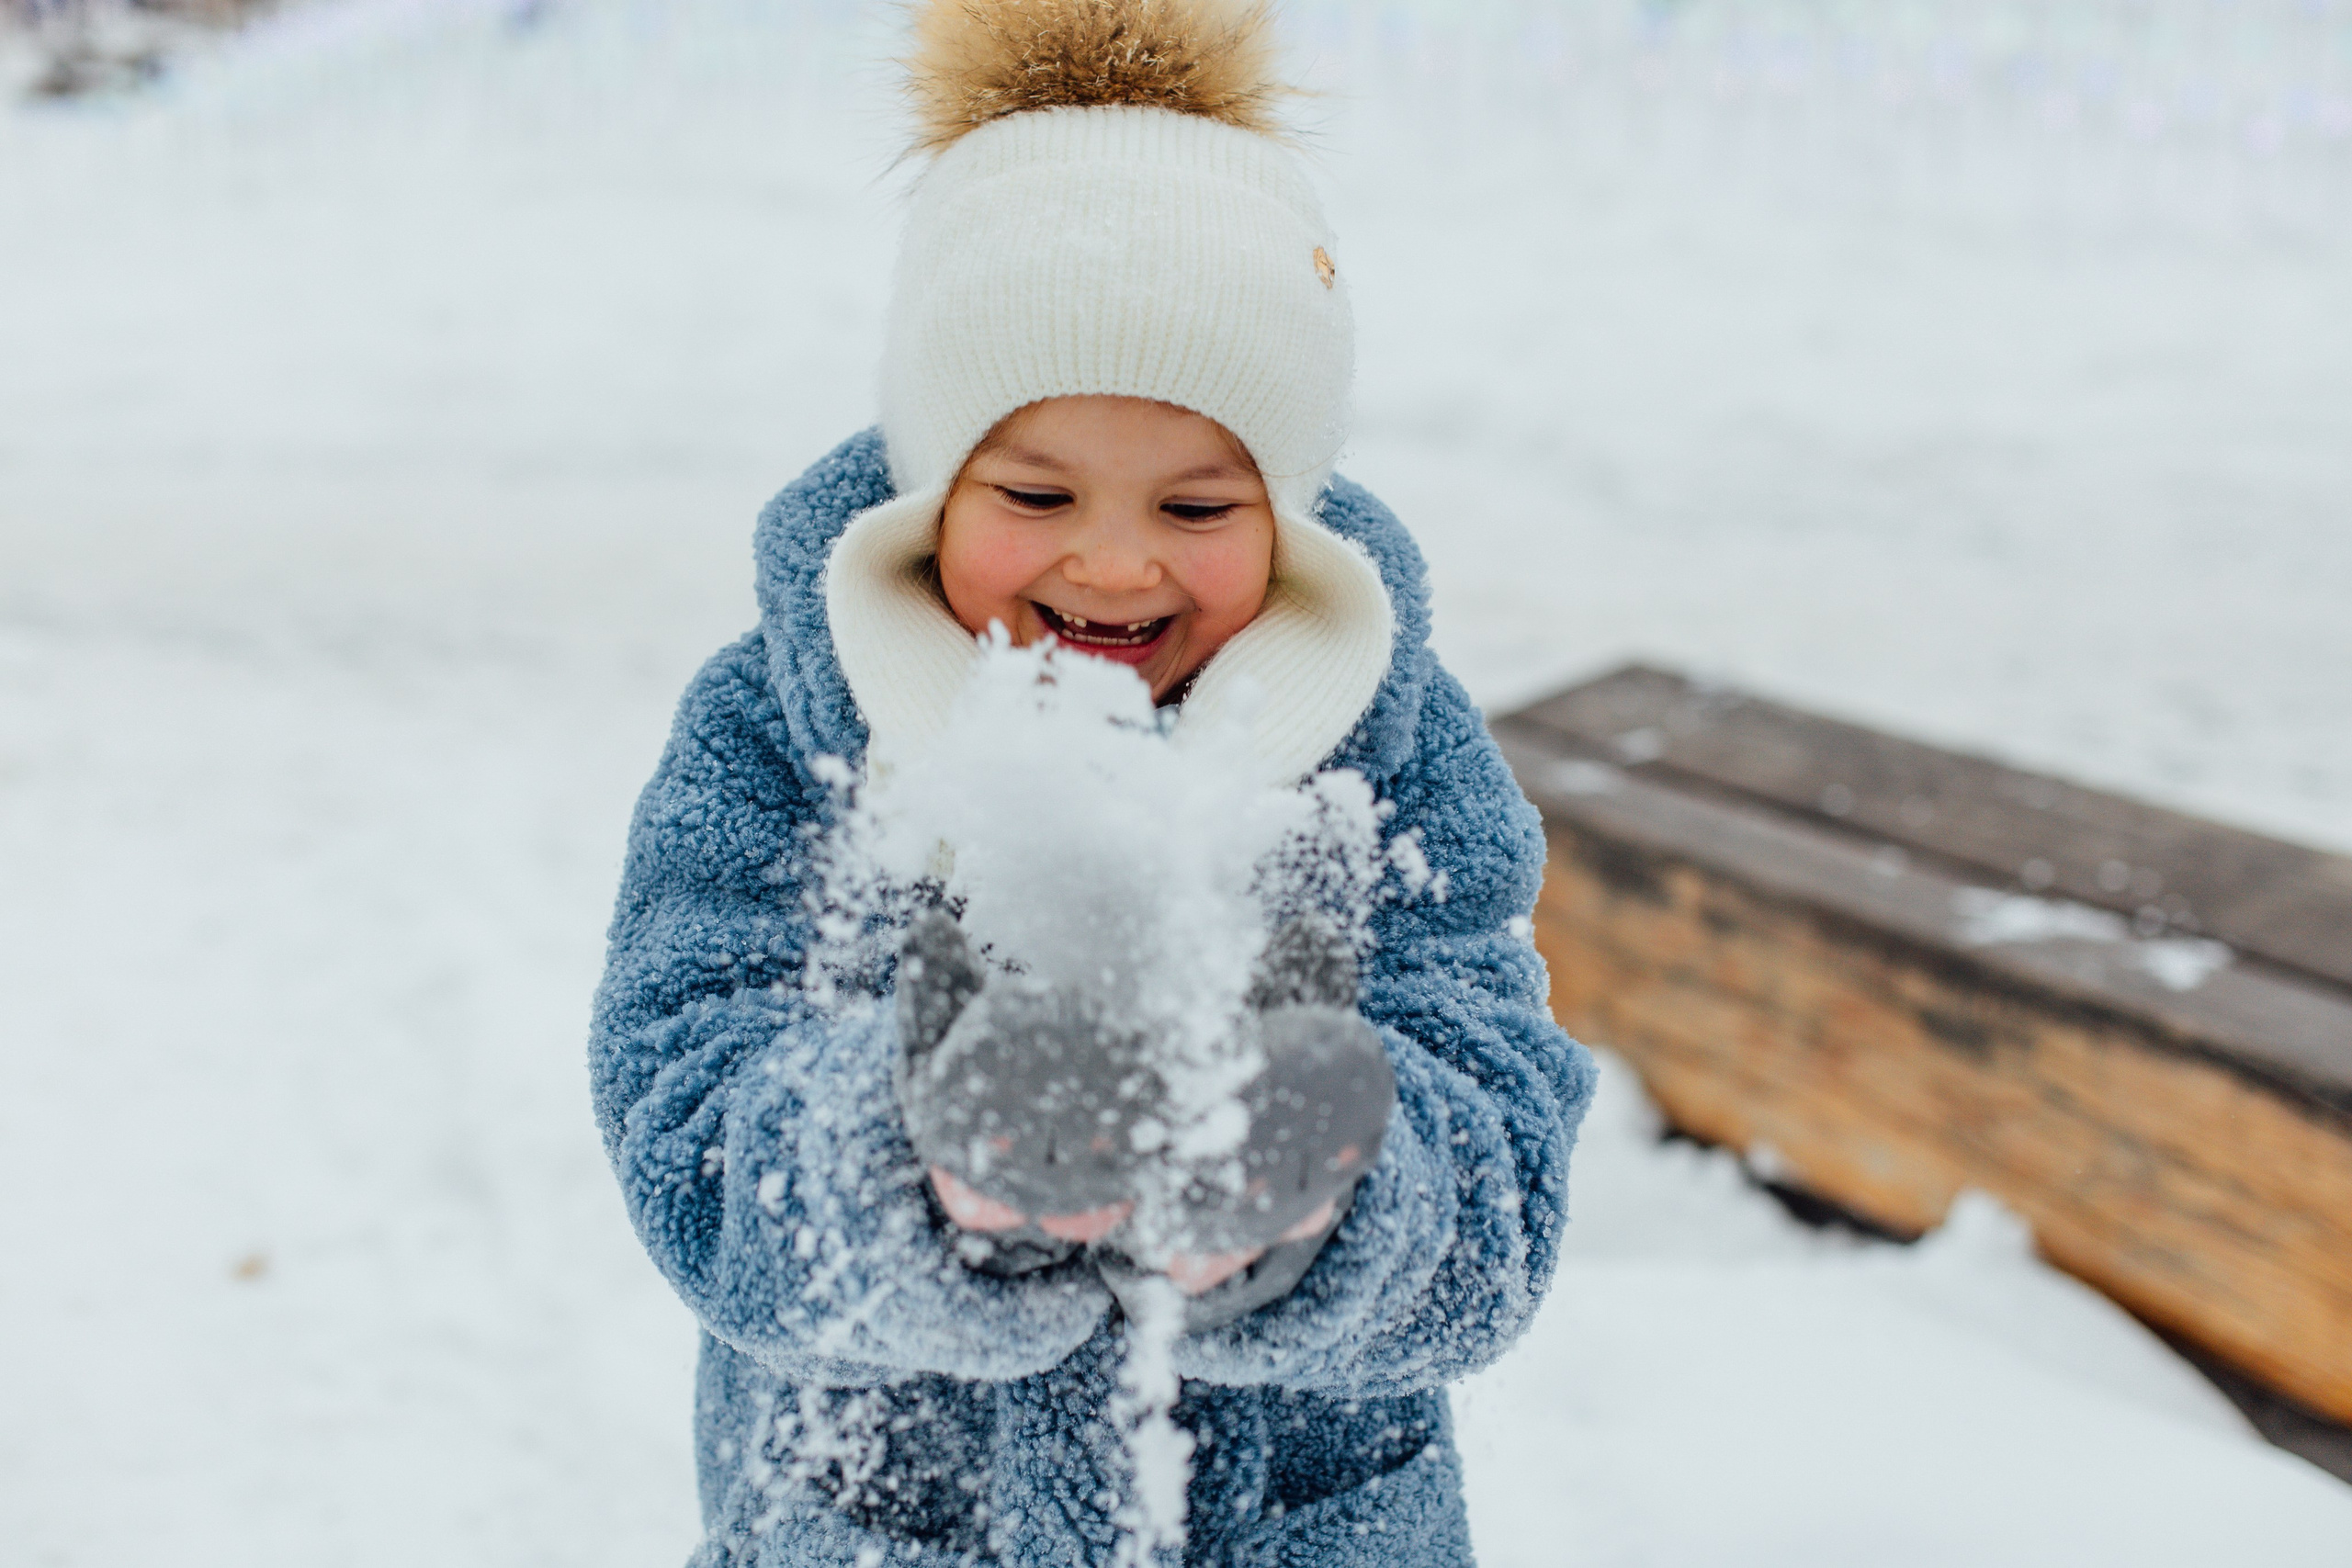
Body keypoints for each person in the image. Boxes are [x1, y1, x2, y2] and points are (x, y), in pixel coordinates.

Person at [589, 2, 1595, 1562]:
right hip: (882, 1521)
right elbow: (688, 1122)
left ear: (1293, 509)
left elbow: (1503, 1183)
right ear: (933, 480)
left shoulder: (1387, 748)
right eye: (1037, 491)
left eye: (1199, 503)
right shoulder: (788, 730)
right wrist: (913, 1162)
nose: (1114, 560)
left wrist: (1327, 1205)